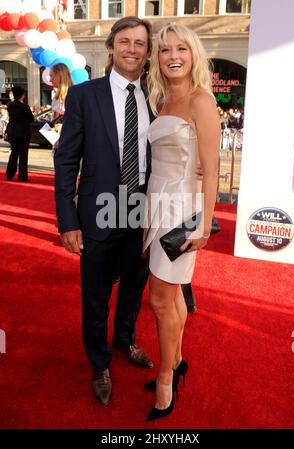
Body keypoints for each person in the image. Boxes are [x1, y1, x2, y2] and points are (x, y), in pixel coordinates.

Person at [54, 17, 154, 407]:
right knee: (95, 296)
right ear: (111, 47)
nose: (132, 49)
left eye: (140, 43)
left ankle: (124, 339)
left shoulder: (155, 97)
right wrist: (68, 220)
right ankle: (99, 363)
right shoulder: (84, 95)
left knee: (133, 287)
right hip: (97, 213)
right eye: (125, 41)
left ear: (147, 53)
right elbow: (65, 163)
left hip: (142, 211)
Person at [143, 24, 220, 421]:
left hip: (181, 213)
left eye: (181, 49)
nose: (173, 55)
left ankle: (164, 382)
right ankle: (176, 361)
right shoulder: (161, 100)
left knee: (159, 299)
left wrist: (204, 227)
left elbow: (213, 168)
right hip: (155, 207)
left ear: (193, 55)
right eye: (165, 49)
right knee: (171, 297)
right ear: (157, 59)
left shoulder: (201, 101)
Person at [5, 86, 34, 182]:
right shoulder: (25, 106)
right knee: (23, 156)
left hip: (13, 132)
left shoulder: (9, 105)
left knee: (13, 153)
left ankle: (9, 174)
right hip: (24, 133)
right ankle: (22, 177)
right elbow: (31, 119)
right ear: (22, 95)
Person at [49, 62, 73, 150]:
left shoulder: (73, 95)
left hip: (68, 146)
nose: (50, 80)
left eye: (51, 76)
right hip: (57, 145)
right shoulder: (56, 97)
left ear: (59, 75)